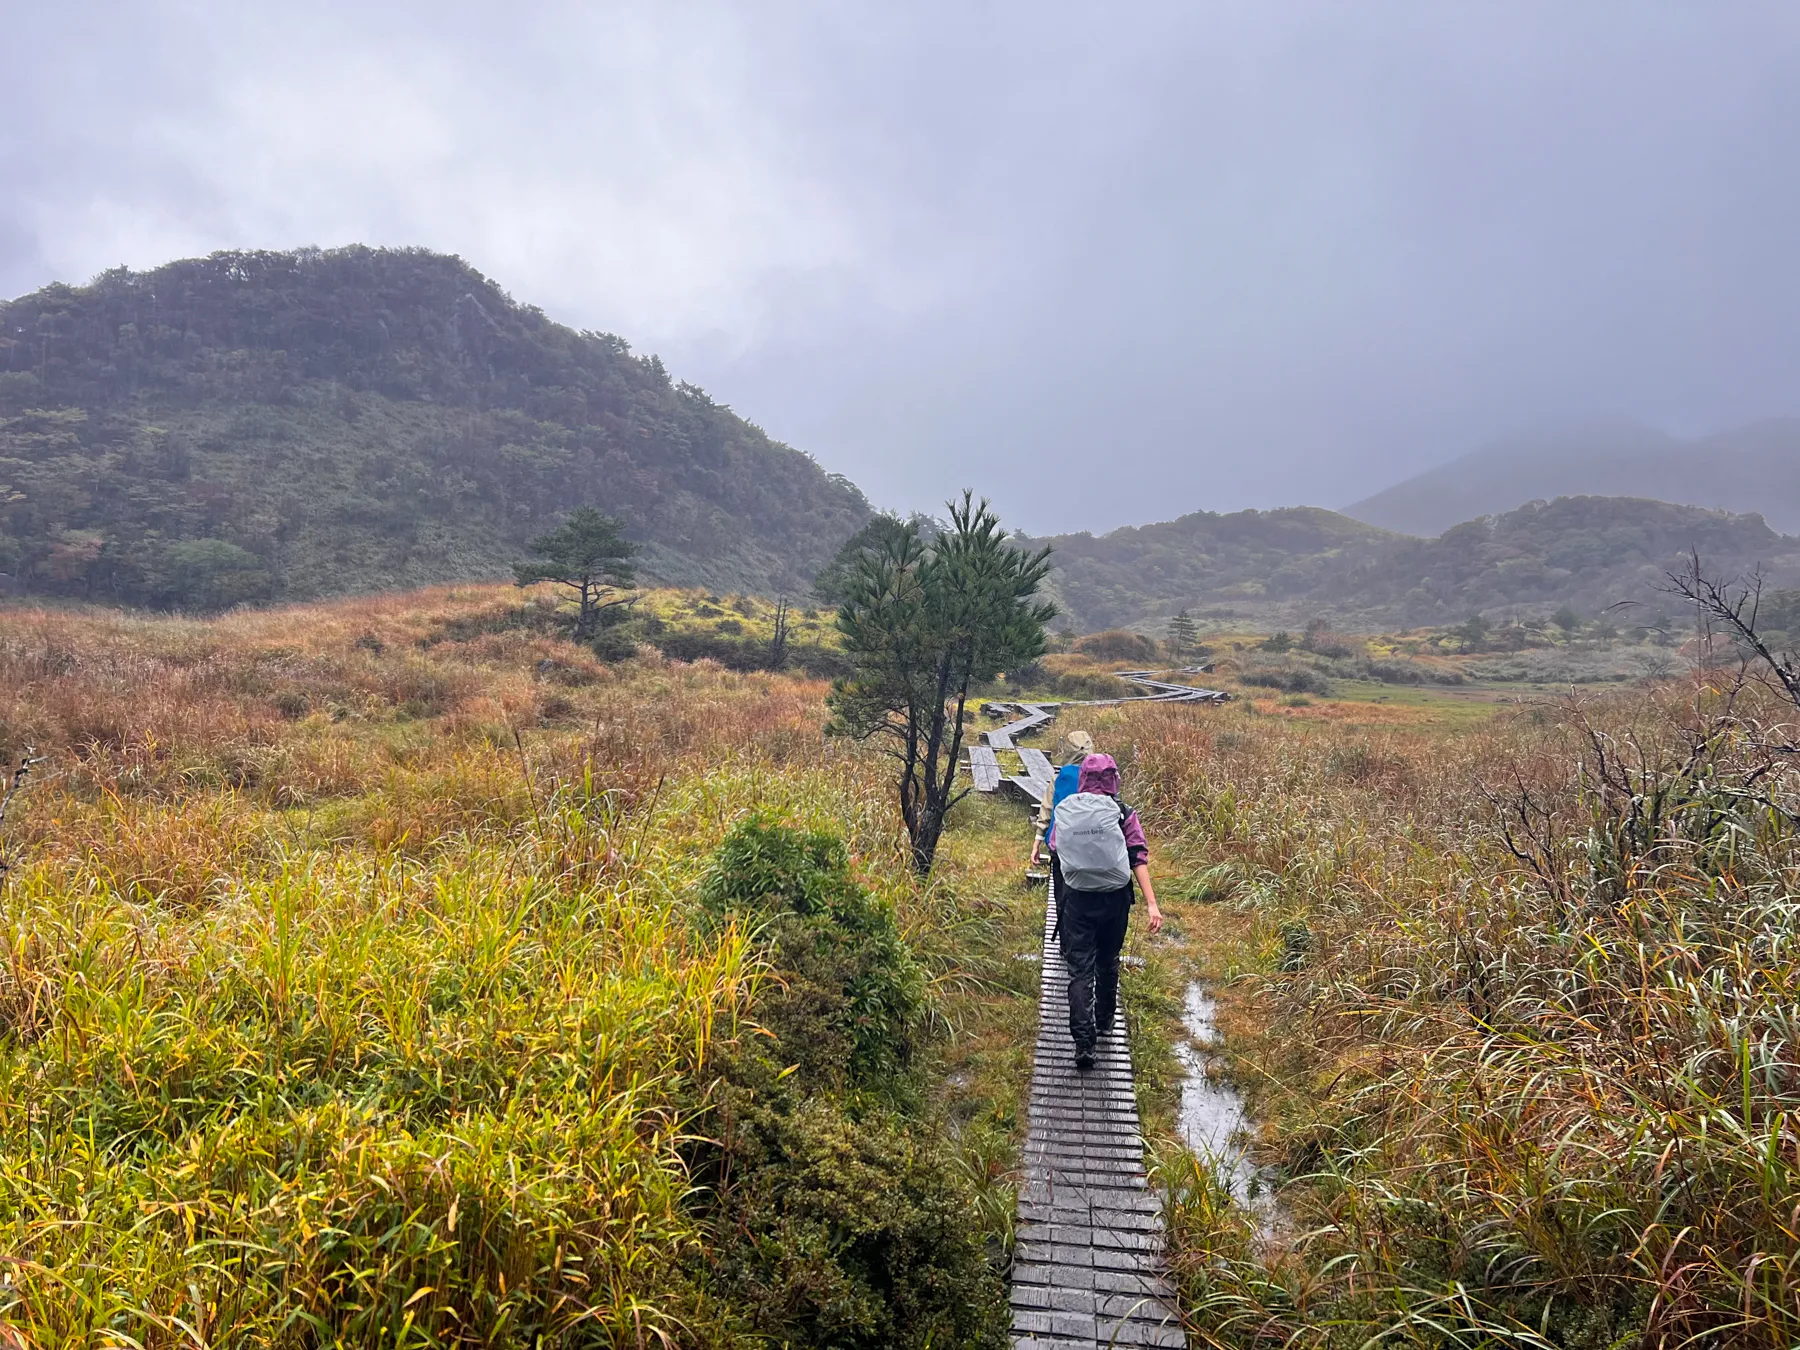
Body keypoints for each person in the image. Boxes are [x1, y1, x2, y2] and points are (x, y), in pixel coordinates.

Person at [1049, 753, 1163, 1070]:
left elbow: (1056, 848)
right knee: (1107, 961)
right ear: (1113, 779)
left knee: (1079, 970)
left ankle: (1084, 1044)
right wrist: (1152, 903)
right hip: (1115, 901)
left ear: (1084, 777)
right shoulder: (1123, 812)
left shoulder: (1068, 811)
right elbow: (1137, 856)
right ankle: (1104, 1022)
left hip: (1078, 901)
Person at [1028, 729, 1094, 869]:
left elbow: (1047, 810)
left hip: (1061, 843)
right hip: (1094, 842)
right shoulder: (1101, 778)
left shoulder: (1059, 778)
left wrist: (1036, 844)